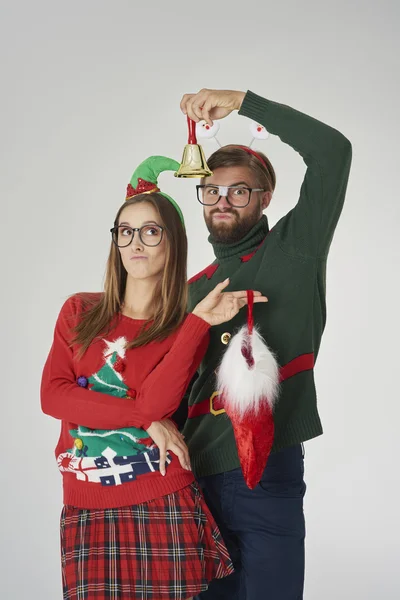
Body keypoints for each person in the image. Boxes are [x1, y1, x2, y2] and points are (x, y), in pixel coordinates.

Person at [40, 155, 268, 600]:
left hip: (161, 499)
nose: (136, 242)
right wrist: (144, 420)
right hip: (86, 505)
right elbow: (54, 397)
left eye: (150, 230)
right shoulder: (78, 312)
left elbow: (157, 404)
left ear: (172, 242)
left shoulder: (181, 330)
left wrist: (198, 323)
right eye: (125, 231)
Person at [179, 89, 352, 600]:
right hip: (193, 476)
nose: (223, 201)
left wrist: (244, 102)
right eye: (211, 191)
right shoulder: (190, 288)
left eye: (239, 191)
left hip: (266, 469)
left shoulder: (296, 248)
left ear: (265, 197)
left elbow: (333, 152)